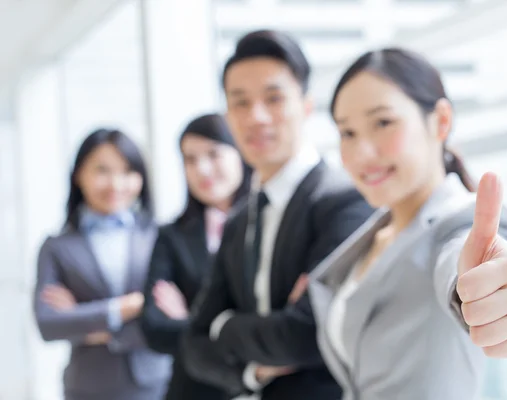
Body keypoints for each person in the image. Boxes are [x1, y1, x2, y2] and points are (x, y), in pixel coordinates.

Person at [306, 48, 507, 400]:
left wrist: (483, 291)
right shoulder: (373, 236)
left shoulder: (458, 221)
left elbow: (460, 257)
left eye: (383, 122)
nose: (361, 153)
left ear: (441, 122)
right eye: (348, 133)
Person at [181, 30, 374, 400]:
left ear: (305, 105)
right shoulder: (239, 221)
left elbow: (307, 335)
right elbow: (193, 345)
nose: (256, 117)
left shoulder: (344, 201)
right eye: (240, 102)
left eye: (273, 98)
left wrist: (225, 326)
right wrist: (253, 371)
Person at [33, 129, 171, 400]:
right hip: (88, 388)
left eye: (127, 171)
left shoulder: (161, 236)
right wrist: (122, 308)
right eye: (102, 170)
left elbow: (176, 319)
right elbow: (48, 324)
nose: (116, 184)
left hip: (158, 385)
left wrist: (84, 320)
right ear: (79, 174)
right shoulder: (56, 247)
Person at [140, 113, 251, 400]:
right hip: (193, 390)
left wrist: (189, 319)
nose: (202, 169)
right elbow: (153, 328)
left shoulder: (267, 222)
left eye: (213, 154)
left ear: (241, 152)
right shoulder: (172, 236)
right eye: (190, 160)